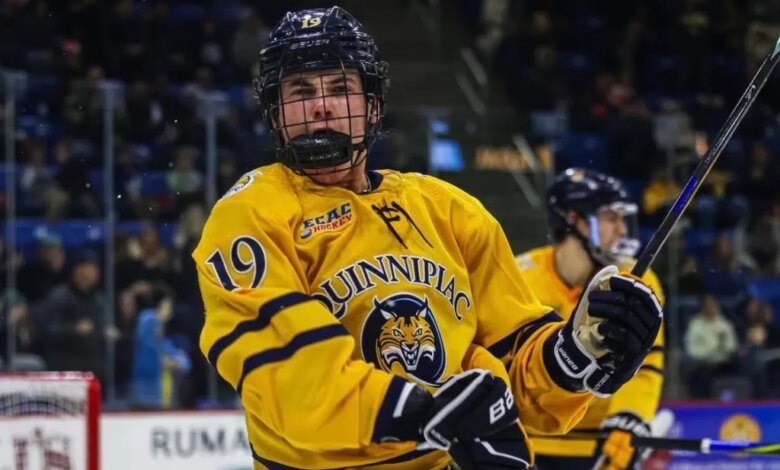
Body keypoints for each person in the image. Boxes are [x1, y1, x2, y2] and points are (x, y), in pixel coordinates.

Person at [194, 7, 663, 470]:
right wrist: (431, 413)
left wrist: (574, 357)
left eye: (341, 88)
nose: (321, 105)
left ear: (373, 105)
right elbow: (295, 383)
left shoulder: (448, 210)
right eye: (300, 91)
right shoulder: (251, 214)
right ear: (276, 112)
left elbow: (511, 364)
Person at [515, 168, 666, 470]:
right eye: (611, 218)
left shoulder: (637, 279)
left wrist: (631, 417)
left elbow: (646, 366)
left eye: (623, 219)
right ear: (574, 220)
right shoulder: (519, 276)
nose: (622, 230)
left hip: (600, 445)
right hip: (525, 439)